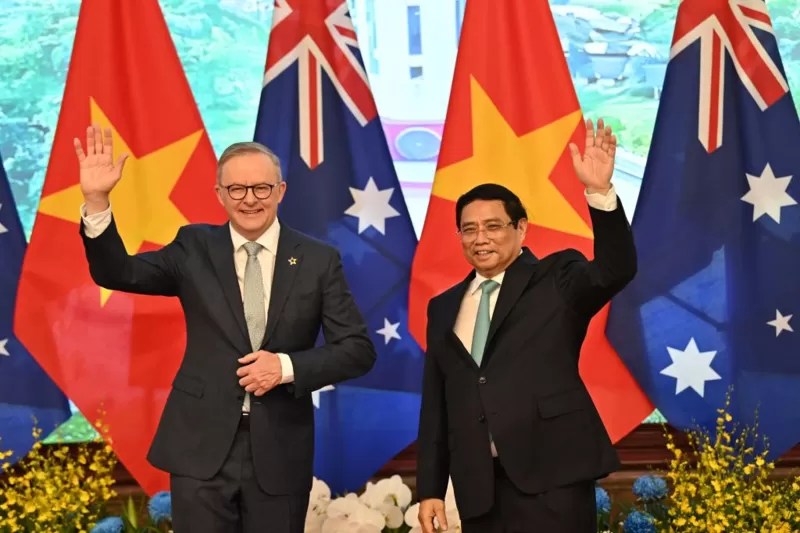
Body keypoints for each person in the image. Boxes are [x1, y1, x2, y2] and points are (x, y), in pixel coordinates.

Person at [75, 126, 376, 533]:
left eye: (261, 188)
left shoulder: (318, 259)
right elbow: (118, 272)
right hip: (200, 448)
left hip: (279, 450)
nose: (249, 199)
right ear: (219, 194)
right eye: (236, 189)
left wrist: (285, 367)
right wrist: (97, 201)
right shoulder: (193, 247)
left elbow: (357, 349)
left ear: (281, 191)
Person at [416, 118, 637, 533]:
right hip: (479, 489)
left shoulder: (557, 278)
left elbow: (615, 269)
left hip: (553, 480)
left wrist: (599, 193)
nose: (480, 238)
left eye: (493, 226)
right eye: (469, 229)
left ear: (521, 228)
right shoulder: (443, 307)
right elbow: (436, 403)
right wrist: (430, 488)